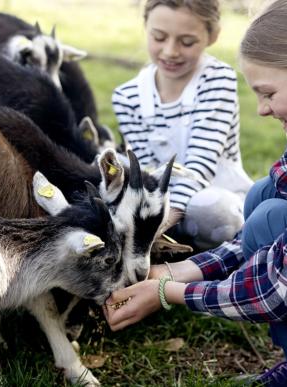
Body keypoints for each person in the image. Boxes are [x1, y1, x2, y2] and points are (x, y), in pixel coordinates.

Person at [105, 0, 287, 385]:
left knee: (268, 218)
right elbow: (283, 241)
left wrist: (169, 293)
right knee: (265, 198)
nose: (262, 110)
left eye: (268, 93)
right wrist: (177, 269)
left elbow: (275, 291)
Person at [112, 0, 253, 249]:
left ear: (213, 35)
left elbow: (201, 163)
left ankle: (220, 256)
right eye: (158, 37)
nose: (170, 51)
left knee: (213, 212)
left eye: (187, 42)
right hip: (161, 204)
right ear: (146, 27)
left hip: (216, 196)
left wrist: (158, 225)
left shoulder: (217, 80)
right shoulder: (127, 97)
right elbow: (147, 172)